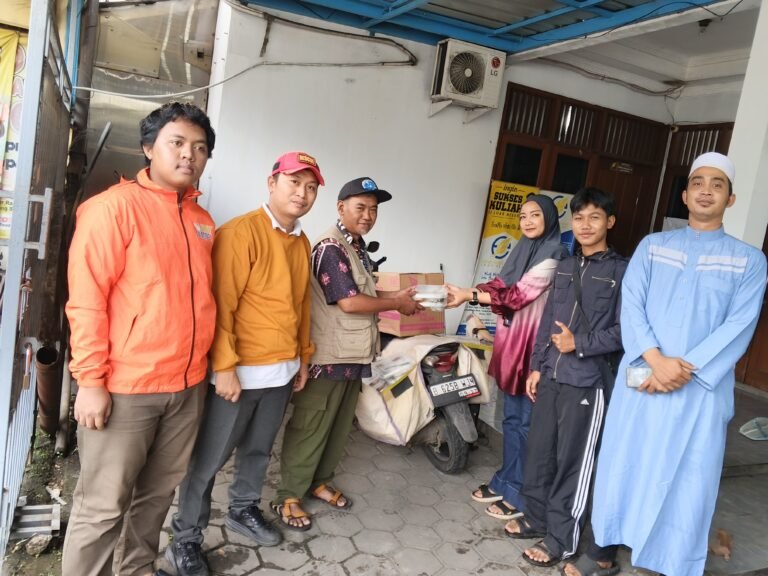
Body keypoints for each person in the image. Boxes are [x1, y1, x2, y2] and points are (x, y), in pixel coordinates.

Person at [563, 152, 767, 576]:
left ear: (730, 199)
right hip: (643, 376)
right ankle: (604, 548)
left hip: (700, 389)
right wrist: (656, 362)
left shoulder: (749, 261)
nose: (706, 190)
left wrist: (681, 368)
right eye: (698, 183)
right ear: (685, 194)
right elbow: (632, 307)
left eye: (717, 184)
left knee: (688, 478)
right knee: (625, 461)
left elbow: (739, 326)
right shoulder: (654, 247)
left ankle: (667, 561)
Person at [62, 102, 217, 576]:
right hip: (126, 388)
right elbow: (87, 302)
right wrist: (90, 381)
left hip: (186, 386)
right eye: (177, 143)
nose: (189, 154)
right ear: (148, 148)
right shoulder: (112, 210)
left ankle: (135, 569)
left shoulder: (201, 220)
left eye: (200, 148)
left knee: (154, 500)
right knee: (104, 506)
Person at [163, 152, 323, 576]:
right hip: (241, 372)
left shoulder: (301, 241)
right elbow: (220, 304)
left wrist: (303, 357)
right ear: (271, 183)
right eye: (294, 183)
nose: (302, 194)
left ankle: (243, 509)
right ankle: (186, 537)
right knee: (208, 460)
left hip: (282, 371)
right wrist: (226, 367)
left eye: (310, 188)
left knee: (257, 450)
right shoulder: (241, 233)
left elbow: (302, 304)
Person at [271, 177, 418, 530]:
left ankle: (319, 480)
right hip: (327, 357)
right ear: (341, 208)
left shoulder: (357, 247)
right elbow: (349, 301)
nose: (368, 215)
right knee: (311, 424)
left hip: (352, 355)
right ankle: (288, 495)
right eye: (360, 207)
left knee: (337, 427)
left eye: (373, 209)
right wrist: (396, 302)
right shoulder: (330, 247)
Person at [503, 188, 627, 571]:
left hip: (587, 380)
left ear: (610, 222)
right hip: (553, 374)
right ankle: (536, 518)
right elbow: (546, 322)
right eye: (578, 217)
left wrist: (582, 344)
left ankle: (562, 538)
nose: (585, 225)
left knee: (574, 462)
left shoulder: (622, 271)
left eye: (594, 217)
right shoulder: (566, 266)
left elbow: (628, 331)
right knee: (540, 453)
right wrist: (538, 365)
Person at [446, 194, 568, 521]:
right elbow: (500, 284)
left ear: (549, 219)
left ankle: (524, 493)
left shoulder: (553, 253)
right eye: (523, 216)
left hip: (534, 349)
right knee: (511, 420)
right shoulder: (522, 250)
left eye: (535, 215)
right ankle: (507, 479)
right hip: (512, 343)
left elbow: (516, 296)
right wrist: (465, 291)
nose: (527, 221)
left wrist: (471, 295)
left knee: (528, 424)